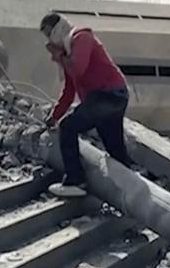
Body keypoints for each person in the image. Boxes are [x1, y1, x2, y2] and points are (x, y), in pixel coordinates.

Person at [40, 13, 133, 197]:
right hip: (109, 98)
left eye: (49, 34)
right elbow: (69, 90)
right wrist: (54, 116)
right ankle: (129, 190)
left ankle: (76, 180)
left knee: (68, 127)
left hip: (107, 96)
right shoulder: (69, 51)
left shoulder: (81, 37)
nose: (49, 41)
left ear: (58, 30)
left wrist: (59, 56)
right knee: (115, 149)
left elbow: (78, 69)